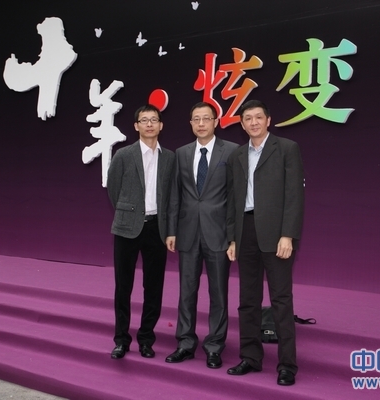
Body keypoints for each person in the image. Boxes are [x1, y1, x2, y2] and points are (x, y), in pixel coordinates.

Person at [225, 100, 304, 386]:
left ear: (268, 120)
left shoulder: (287, 148)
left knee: (281, 300)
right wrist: (232, 237)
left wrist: (288, 234)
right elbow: (233, 200)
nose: (254, 122)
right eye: (248, 118)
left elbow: (294, 196)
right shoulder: (237, 155)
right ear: (242, 124)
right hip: (245, 231)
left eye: (259, 117)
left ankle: (287, 365)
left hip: (276, 233)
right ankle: (250, 357)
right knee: (248, 300)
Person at [165, 102, 238, 368]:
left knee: (218, 293)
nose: (201, 123)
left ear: (216, 122)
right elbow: (175, 195)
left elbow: (235, 197)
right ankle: (185, 343)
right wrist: (171, 230)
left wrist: (233, 236)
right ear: (191, 123)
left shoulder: (231, 151)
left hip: (218, 233)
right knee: (187, 291)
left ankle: (214, 346)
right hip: (187, 233)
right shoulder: (181, 153)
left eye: (206, 118)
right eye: (196, 119)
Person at [107, 104, 175, 359]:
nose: (149, 124)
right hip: (127, 227)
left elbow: (172, 195)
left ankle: (146, 338)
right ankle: (121, 340)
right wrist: (130, 212)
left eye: (153, 120)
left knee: (154, 286)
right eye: (144, 120)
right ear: (136, 126)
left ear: (161, 125)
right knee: (123, 286)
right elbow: (113, 189)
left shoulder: (170, 158)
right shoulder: (123, 155)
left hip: (157, 227)